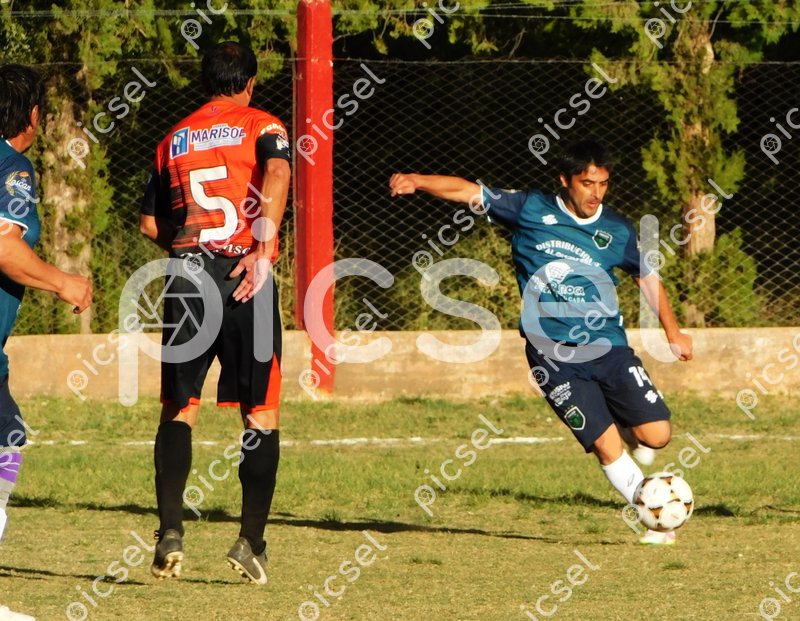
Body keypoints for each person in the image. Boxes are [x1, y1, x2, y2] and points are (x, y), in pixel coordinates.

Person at [389, 140, 692, 545]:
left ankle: (624, 423)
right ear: (565, 180)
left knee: (657, 436)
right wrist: (417, 180)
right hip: (552, 356)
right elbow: (467, 191)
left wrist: (673, 332)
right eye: (587, 183)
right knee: (605, 448)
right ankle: (655, 519)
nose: (596, 193)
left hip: (609, 346)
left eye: (603, 184)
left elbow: (646, 277)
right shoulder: (530, 208)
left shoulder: (616, 229)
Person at [140, 41, 291, 584]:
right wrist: (262, 251)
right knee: (260, 412)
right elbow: (277, 175)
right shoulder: (263, 124)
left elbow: (150, 224)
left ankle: (170, 531)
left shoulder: (172, 139)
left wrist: (192, 251)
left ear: (205, 82)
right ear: (249, 82)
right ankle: (250, 542)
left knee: (178, 408)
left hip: (187, 277)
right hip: (245, 278)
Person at [0, 64, 93, 620]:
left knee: (7, 435)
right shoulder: (11, 167)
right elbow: (4, 246)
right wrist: (64, 282)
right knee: (5, 442)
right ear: (32, 116)